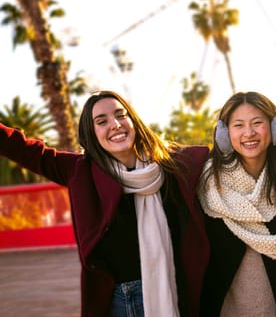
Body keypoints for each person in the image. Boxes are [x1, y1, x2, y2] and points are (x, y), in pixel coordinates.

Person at [0, 90, 210, 317]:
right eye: (102, 121)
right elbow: (24, 150)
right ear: (92, 133)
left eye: (121, 115)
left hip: (172, 289)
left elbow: (223, 160)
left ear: (134, 121)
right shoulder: (81, 171)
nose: (115, 124)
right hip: (116, 302)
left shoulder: (172, 166)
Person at [197, 91, 276, 316]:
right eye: (238, 125)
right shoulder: (209, 186)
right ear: (224, 134)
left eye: (258, 123)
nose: (249, 133)